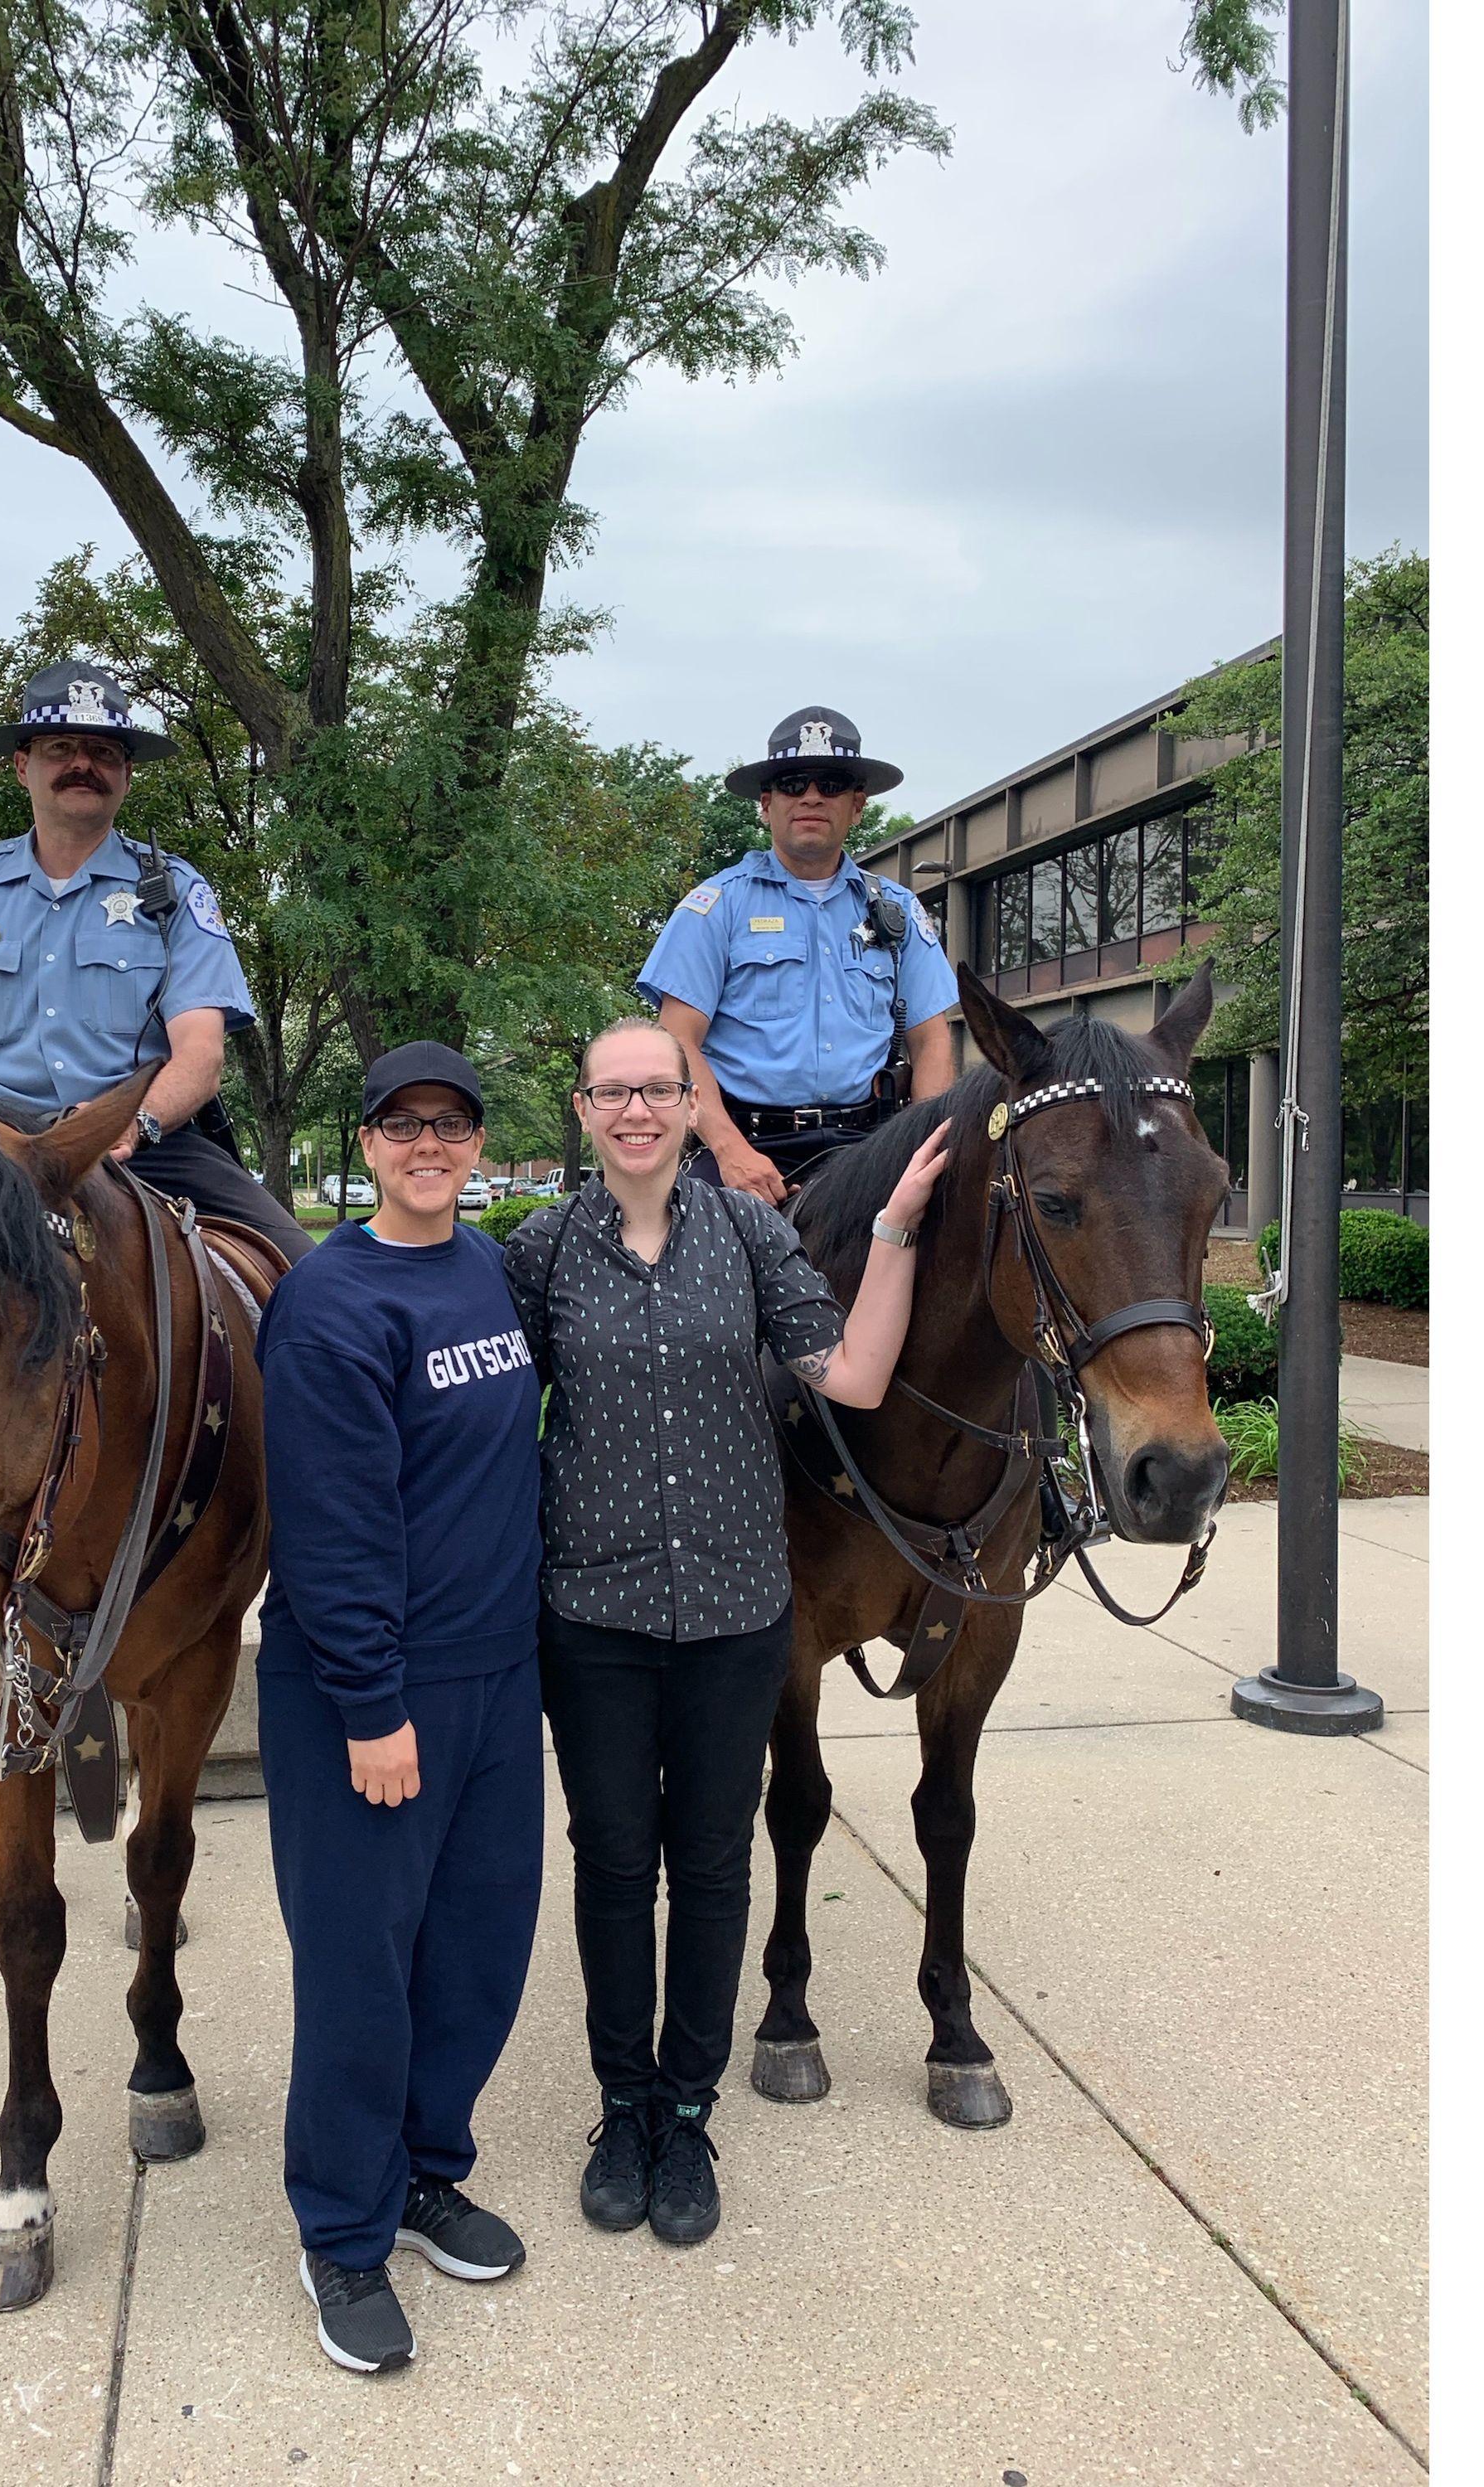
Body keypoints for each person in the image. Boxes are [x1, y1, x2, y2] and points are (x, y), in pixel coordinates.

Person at [504, 1017, 950, 2247]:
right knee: (611, 1866)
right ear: (583, 1109)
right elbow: (489, 1407)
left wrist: (898, 1230)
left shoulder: (753, 1233)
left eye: (661, 1088)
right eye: (614, 1090)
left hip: (733, 1611)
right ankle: (623, 2103)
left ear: (696, 1104)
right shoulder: (543, 1249)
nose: (637, 1109)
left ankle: (688, 2111)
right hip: (591, 1611)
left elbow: (853, 1374)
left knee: (709, 1868)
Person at [255, 1041, 546, 2373]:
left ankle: (427, 2174)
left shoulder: (482, 1270)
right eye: (402, 1124)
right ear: (365, 1143)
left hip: (496, 1675)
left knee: (477, 1954)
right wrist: (372, 1707)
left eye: (453, 1124)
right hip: (368, 1694)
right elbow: (329, 1529)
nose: (430, 1144)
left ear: (478, 1144)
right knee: (362, 1973)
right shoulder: (331, 1302)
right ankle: (344, 2234)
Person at [0, 658, 309, 1260]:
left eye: (104, 752)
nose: (83, 764)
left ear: (127, 775)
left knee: (307, 1278)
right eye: (61, 747)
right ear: (22, 765)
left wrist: (136, 1122)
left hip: (144, 1145)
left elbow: (201, 1055)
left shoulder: (178, 893)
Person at [638, 705, 958, 1207]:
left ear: (857, 806)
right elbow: (677, 1042)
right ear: (766, 804)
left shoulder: (898, 911)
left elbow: (931, 1039)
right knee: (693, 1268)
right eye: (792, 783)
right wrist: (729, 1150)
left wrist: (926, 1148)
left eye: (831, 784)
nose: (811, 796)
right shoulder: (715, 907)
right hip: (746, 1146)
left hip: (871, 1147)